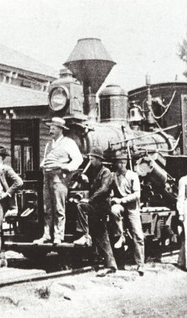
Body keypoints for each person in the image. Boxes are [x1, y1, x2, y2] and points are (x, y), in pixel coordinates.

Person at [34, 117, 83, 245]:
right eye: (50, 128)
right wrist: (43, 164)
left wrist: (67, 167)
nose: (51, 130)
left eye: (53, 128)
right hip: (47, 177)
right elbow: (46, 158)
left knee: (59, 208)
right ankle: (46, 235)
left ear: (61, 129)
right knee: (47, 208)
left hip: (59, 178)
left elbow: (78, 159)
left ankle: (58, 236)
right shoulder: (48, 144)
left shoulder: (68, 143)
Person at [74, 147, 117, 276]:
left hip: (102, 207)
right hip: (95, 207)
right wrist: (81, 177)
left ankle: (111, 265)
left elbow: (104, 189)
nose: (90, 161)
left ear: (99, 160)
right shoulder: (93, 171)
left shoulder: (106, 172)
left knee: (102, 235)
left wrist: (90, 200)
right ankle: (103, 261)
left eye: (92, 159)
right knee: (100, 235)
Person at [0, 145, 23, 272]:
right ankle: (2, 258)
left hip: (0, 200)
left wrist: (7, 194)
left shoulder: (5, 169)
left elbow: (19, 182)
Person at [109, 150, 145, 276]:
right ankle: (121, 236)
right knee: (114, 211)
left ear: (125, 163)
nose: (120, 165)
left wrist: (122, 199)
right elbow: (110, 190)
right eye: (118, 163)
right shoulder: (113, 176)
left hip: (132, 208)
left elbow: (137, 194)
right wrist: (112, 198)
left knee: (138, 234)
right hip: (120, 206)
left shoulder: (133, 175)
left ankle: (140, 264)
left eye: (122, 163)